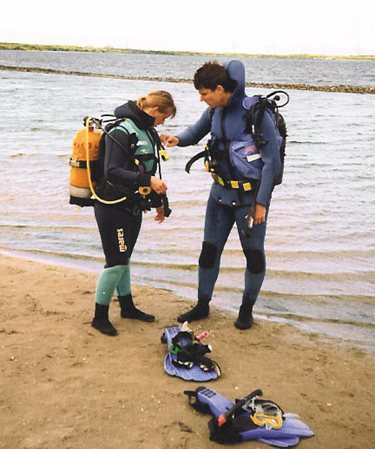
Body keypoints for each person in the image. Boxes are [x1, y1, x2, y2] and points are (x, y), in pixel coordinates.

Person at [162, 60, 281, 330]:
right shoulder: (215, 111)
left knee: (253, 255)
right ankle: (203, 305)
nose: (201, 98)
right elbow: (195, 132)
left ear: (219, 88)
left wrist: (261, 204)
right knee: (208, 252)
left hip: (250, 202)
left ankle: (246, 310)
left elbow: (272, 163)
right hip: (219, 196)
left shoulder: (257, 114)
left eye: (204, 93)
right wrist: (176, 139)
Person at [91, 90, 176, 336]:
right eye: (164, 117)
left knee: (124, 259)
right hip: (111, 206)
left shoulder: (148, 132)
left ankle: (127, 307)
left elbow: (151, 168)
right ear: (154, 110)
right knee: (115, 262)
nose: (162, 123)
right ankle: (99, 316)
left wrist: (160, 202)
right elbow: (112, 172)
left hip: (133, 205)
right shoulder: (121, 130)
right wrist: (148, 181)